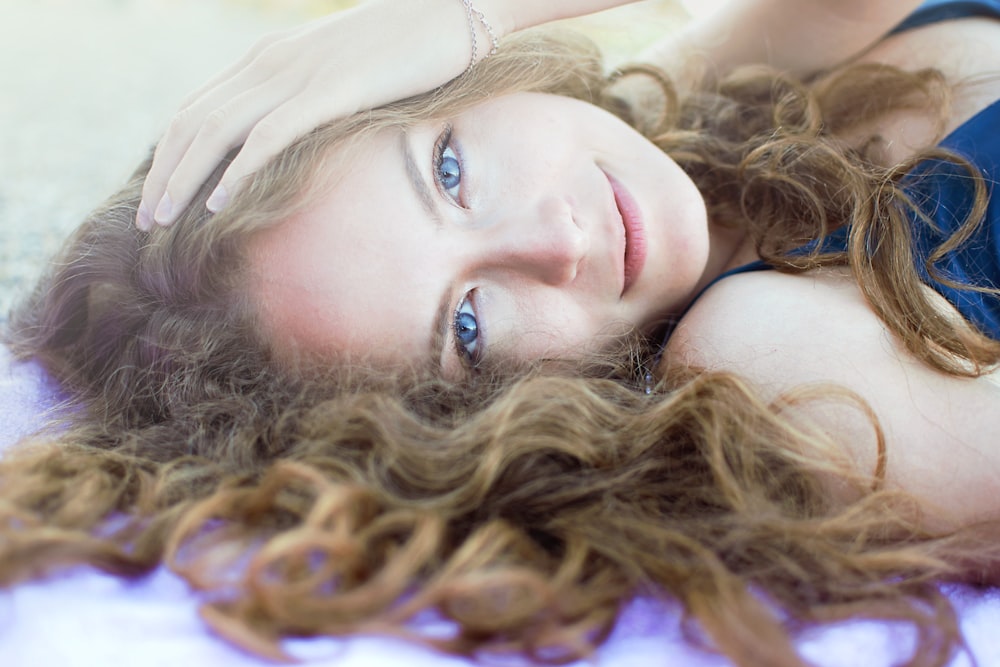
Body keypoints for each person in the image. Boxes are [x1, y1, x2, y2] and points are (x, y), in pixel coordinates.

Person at [3, 1, 1000, 666]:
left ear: (465, 86)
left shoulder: (692, 108)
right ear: (467, 425)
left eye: (447, 171)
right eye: (469, 325)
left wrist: (456, 12)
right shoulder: (771, 360)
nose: (553, 236)